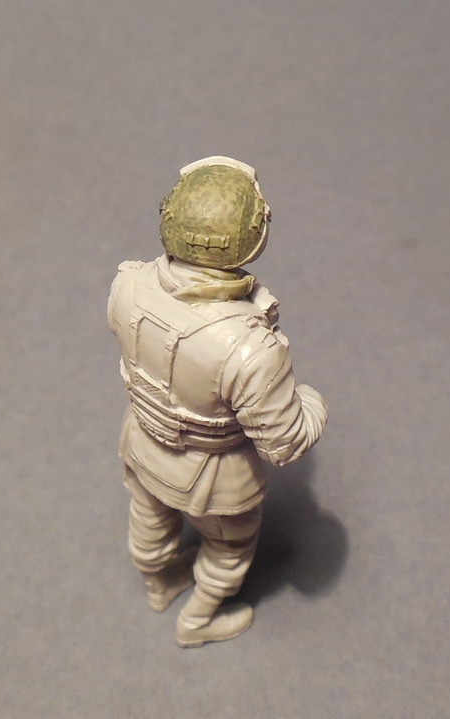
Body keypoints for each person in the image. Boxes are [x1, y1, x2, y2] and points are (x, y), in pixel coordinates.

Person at [107, 156, 328, 647]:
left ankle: (158, 585)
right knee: (230, 546)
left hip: (143, 442)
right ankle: (198, 620)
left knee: (148, 516)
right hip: (214, 474)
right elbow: (285, 444)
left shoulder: (126, 286)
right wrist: (313, 403)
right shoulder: (250, 348)